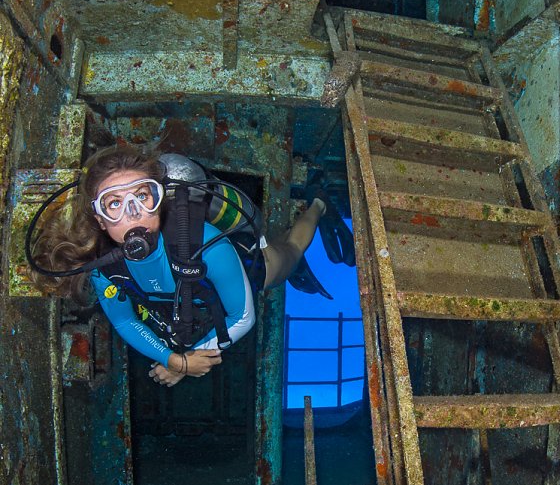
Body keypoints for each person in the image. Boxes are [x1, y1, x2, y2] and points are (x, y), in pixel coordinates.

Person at [31, 145, 351, 389]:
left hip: (248, 267)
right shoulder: (103, 266)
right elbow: (125, 321)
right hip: (187, 301)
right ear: (99, 219)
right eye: (114, 204)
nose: (132, 214)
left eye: (143, 196)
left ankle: (318, 206)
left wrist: (181, 364)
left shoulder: (207, 244)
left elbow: (243, 316)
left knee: (292, 251)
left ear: (159, 200)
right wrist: (175, 360)